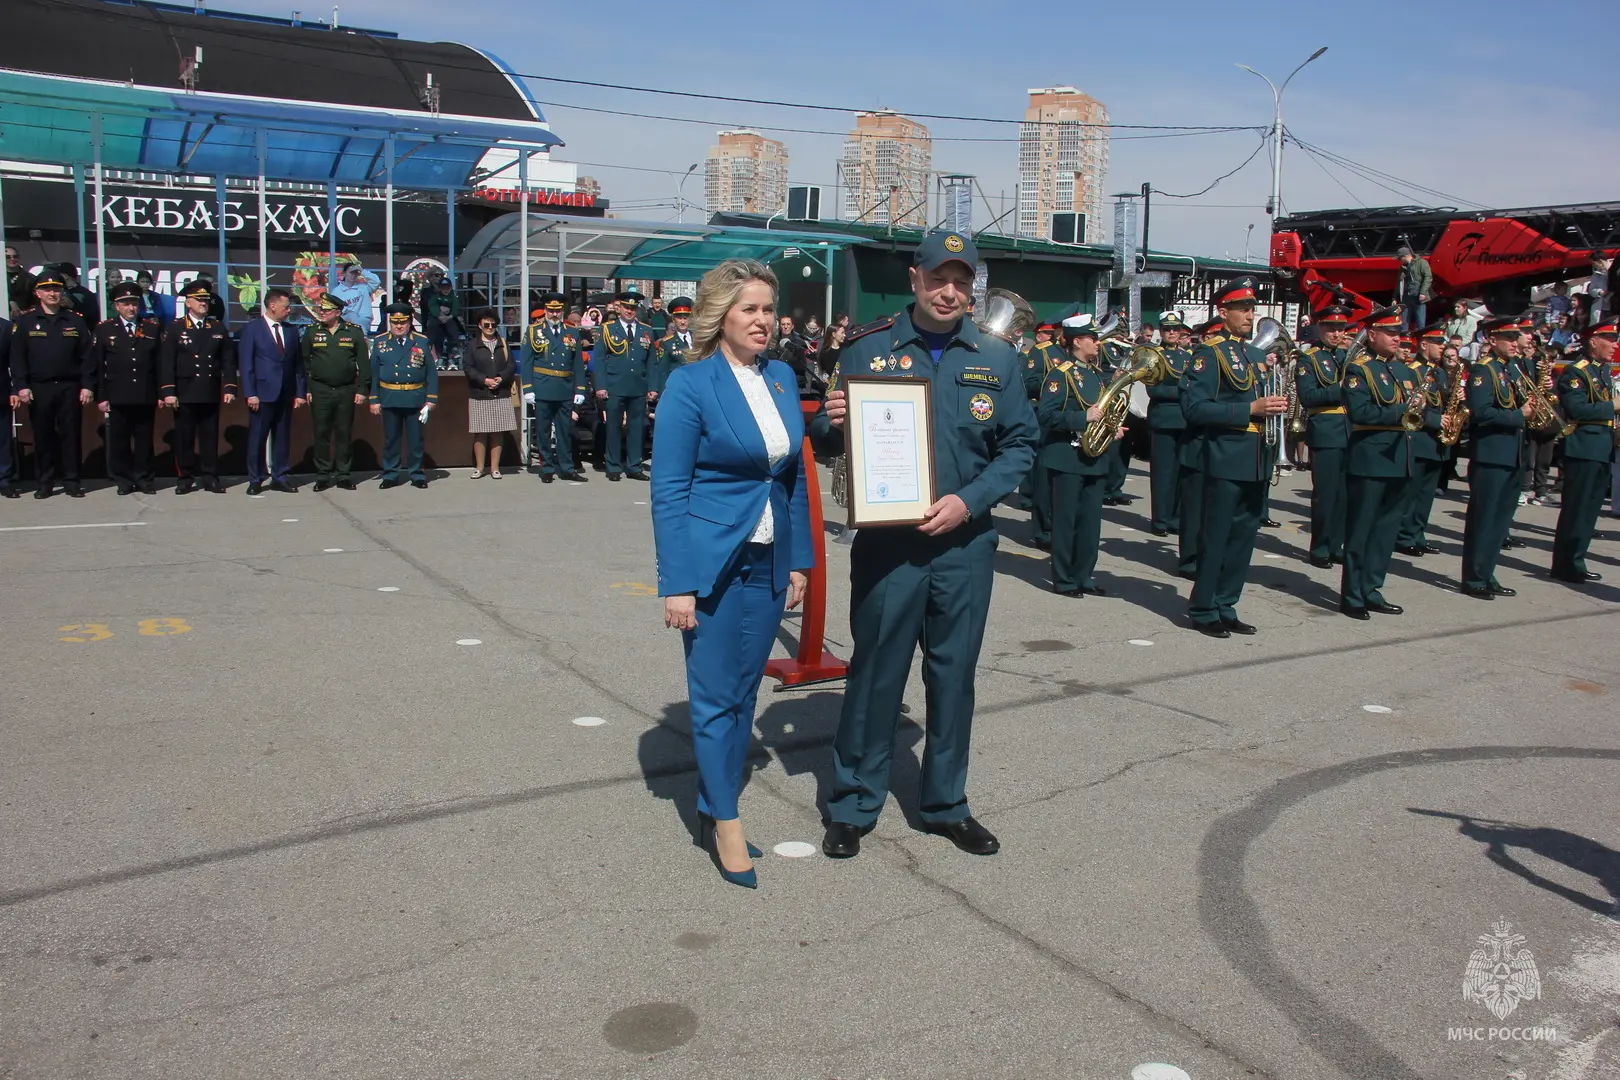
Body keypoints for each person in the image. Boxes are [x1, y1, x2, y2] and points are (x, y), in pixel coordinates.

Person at [809, 229, 1038, 859]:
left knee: (953, 677)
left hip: (964, 544)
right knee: (875, 674)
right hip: (890, 548)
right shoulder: (868, 347)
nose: (949, 292)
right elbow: (828, 440)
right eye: (938, 278)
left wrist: (970, 500)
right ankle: (853, 803)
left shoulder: (997, 357)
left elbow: (1020, 444)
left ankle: (945, 805)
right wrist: (830, 424)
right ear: (915, 279)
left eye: (961, 282)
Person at [651, 259, 813, 889]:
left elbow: (791, 477)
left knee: (745, 691)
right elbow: (669, 491)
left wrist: (798, 558)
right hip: (713, 562)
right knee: (717, 695)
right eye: (750, 309)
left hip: (769, 558)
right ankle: (726, 821)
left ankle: (709, 802)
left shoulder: (780, 377)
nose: (763, 321)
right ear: (720, 315)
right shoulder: (690, 384)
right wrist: (677, 583)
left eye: (769, 309)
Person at [1181, 277, 1288, 637]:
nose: (1250, 315)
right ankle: (1203, 608)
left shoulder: (1254, 356)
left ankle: (1226, 604)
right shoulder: (1209, 354)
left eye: (1251, 309)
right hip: (1225, 456)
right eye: (1242, 309)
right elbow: (1195, 408)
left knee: (1243, 539)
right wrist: (1250, 409)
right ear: (1223, 312)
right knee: (1216, 537)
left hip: (1257, 458)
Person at [1338, 306, 1415, 619]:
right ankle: (1352, 595)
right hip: (1370, 459)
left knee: (1385, 532)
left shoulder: (1402, 371)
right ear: (1372, 335)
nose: (1397, 338)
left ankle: (1372, 589)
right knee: (1361, 531)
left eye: (1398, 333)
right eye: (1390, 333)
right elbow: (1361, 413)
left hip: (1398, 458)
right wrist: (1403, 411)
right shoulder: (1359, 370)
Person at [1038, 313, 1119, 596]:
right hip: (1068, 458)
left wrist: (1111, 429)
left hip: (1095, 457)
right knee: (1066, 522)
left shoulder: (1096, 374)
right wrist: (1081, 417)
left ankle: (1084, 575)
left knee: (1090, 524)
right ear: (1076, 341)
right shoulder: (1060, 374)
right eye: (1092, 338)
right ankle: (1064, 579)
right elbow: (1045, 415)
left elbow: (1103, 413)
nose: (1097, 343)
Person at [1460, 316, 1534, 599]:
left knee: (1500, 522)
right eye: (1509, 338)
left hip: (1512, 454)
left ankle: (1487, 572)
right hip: (1491, 455)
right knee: (1484, 519)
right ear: (1492, 340)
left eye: (1517, 338)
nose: (1515, 343)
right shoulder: (1484, 370)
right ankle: (1474, 578)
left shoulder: (1511, 369)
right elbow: (1481, 412)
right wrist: (1519, 415)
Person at [10, 270, 93, 498]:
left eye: (56, 289)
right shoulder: (26, 322)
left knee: (71, 435)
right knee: (43, 435)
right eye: (46, 289)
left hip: (70, 386)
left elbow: (87, 356)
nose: (52, 293)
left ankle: (72, 481)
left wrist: (87, 385)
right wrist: (21, 385)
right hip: (40, 387)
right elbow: (17, 357)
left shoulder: (74, 320)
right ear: (37, 293)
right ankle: (45, 482)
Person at [1550, 318, 1616, 583]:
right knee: (1576, 509)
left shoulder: (1602, 371)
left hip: (1601, 447)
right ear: (1593, 342)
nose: (1615, 345)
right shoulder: (1576, 371)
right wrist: (1613, 406)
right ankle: (1564, 565)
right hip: (1583, 447)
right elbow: (1576, 409)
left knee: (1590, 510)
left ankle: (1577, 560)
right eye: (1610, 340)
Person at [160, 281, 236, 493]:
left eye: (205, 300)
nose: (203, 303)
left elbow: (228, 360)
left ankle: (210, 477)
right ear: (188, 303)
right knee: (184, 438)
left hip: (209, 390)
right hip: (184, 391)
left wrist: (230, 387)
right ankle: (185, 477)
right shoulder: (176, 328)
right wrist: (168, 391)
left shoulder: (217, 327)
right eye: (199, 300)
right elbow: (167, 361)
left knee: (209, 437)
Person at [89, 281, 162, 495]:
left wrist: (161, 392)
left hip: (145, 393)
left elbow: (159, 363)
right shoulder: (104, 329)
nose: (131, 308)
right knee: (119, 441)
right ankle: (123, 480)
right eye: (126, 304)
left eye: (134, 304)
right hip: (118, 394)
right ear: (117, 306)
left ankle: (144, 478)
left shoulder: (151, 328)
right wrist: (101, 395)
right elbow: (98, 365)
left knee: (144, 440)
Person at [1296, 304, 1353, 567]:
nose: (1337, 333)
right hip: (1326, 430)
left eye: (1341, 328)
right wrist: (1339, 388)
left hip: (1350, 430)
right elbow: (1308, 396)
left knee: (1345, 495)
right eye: (1331, 328)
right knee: (1326, 494)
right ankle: (1320, 548)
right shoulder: (1309, 358)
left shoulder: (1347, 357)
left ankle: (1336, 544)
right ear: (1320, 328)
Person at [299, 292, 369, 491]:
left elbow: (363, 364)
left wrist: (362, 389)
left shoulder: (353, 332)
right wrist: (306, 388)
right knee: (321, 433)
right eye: (321, 309)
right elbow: (303, 363)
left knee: (343, 433)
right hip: (320, 389)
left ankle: (343, 475)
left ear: (337, 312)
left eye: (327, 310)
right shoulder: (312, 332)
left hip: (345, 389)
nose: (322, 313)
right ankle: (323, 475)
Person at [239, 287, 305, 495]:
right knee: (258, 437)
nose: (289, 310)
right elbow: (246, 363)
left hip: (285, 392)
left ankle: (280, 476)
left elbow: (298, 364)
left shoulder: (291, 330)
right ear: (272, 305)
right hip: (262, 392)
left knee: (282, 436)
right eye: (286, 307)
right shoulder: (253, 329)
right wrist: (250, 393)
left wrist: (300, 392)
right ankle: (256, 478)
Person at [1396, 324, 1453, 556]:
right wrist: (1436, 420)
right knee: (1412, 493)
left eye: (1442, 343)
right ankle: (1403, 536)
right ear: (1423, 344)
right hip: (1419, 439)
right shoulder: (1411, 371)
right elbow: (1411, 408)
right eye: (1437, 343)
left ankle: (1418, 534)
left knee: (1426, 495)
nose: (1442, 347)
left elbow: (1442, 402)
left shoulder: (1439, 372)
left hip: (1436, 442)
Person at [369, 302, 438, 489]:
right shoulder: (381, 342)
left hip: (415, 397)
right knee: (391, 440)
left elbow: (431, 373)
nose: (398, 326)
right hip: (389, 396)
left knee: (416, 440)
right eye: (395, 322)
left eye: (403, 322)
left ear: (409, 322)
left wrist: (431, 399)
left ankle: (417, 474)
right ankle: (390, 474)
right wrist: (374, 399)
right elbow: (373, 373)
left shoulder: (421, 341)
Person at [521, 293, 589, 484]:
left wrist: (580, 389)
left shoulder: (572, 331)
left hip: (564, 388)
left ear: (562, 311)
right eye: (551, 310)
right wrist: (528, 388)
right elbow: (527, 362)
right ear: (545, 311)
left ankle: (567, 467)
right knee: (543, 431)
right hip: (542, 387)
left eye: (558, 310)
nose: (554, 314)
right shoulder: (534, 331)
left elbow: (577, 364)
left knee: (565, 431)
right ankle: (547, 468)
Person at [593, 290, 654, 480]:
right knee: (613, 427)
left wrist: (653, 387)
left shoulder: (646, 330)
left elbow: (652, 362)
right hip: (614, 385)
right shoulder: (608, 329)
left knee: (637, 428)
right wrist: (600, 385)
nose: (629, 311)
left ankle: (634, 466)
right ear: (619, 308)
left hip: (637, 386)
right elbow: (599, 360)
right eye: (626, 307)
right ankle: (613, 466)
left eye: (633, 308)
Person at [1146, 311, 1192, 536]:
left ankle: (1176, 518)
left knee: (1182, 473)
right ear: (1161, 331)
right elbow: (1153, 389)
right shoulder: (1153, 355)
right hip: (1164, 419)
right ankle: (1160, 520)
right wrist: (1183, 392)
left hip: (1185, 420)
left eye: (1175, 329)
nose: (1172, 332)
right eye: (1167, 329)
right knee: (1163, 474)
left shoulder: (1187, 356)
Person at [1021, 319, 1064, 549]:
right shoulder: (1043, 352)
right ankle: (1043, 530)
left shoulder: (1077, 356)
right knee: (1045, 478)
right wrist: (1054, 386)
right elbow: (1028, 384)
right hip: (1046, 417)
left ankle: (1062, 528)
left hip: (1074, 421)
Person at [464, 309, 517, 479]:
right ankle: (479, 467)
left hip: (501, 392)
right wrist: (484, 380)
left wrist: (501, 377)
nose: (490, 327)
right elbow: (468, 367)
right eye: (486, 324)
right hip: (480, 393)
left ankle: (495, 468)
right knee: (480, 432)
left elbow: (511, 365)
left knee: (497, 432)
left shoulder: (503, 343)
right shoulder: (473, 345)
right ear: (480, 325)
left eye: (493, 324)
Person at [649, 296, 694, 398]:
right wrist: (662, 394)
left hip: (696, 388)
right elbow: (662, 371)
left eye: (685, 318)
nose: (682, 322)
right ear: (673, 319)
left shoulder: (698, 340)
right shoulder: (667, 343)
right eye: (679, 318)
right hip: (677, 388)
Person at [328, 261, 380, 333]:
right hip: (345, 322)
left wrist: (362, 271)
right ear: (344, 273)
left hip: (363, 321)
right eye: (351, 273)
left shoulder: (364, 288)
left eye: (355, 273)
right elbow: (334, 309)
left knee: (354, 318)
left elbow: (376, 282)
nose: (353, 275)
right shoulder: (337, 291)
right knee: (351, 316)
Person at [422, 277, 464, 366]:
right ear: (440, 288)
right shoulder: (435, 296)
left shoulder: (453, 297)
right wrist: (440, 315)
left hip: (449, 319)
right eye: (443, 288)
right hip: (437, 319)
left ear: (451, 288)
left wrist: (448, 317)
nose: (445, 290)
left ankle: (452, 352)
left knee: (453, 328)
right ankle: (434, 352)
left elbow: (455, 309)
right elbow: (432, 307)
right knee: (434, 329)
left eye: (447, 288)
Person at [0, 313, 18, 497]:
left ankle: (4, 480)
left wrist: (14, 389)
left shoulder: (5, 328)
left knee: (3, 440)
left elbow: (14, 362)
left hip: (1, 392)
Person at [1397, 246, 1433, 332]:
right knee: (1403, 321)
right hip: (1406, 298)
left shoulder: (1421, 262)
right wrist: (1395, 298)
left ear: (1404, 256)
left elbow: (1428, 277)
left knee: (1420, 322)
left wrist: (1423, 292)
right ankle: (1404, 337)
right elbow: (1399, 284)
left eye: (1400, 258)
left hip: (1418, 296)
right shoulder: (1403, 268)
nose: (1399, 260)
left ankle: (1420, 337)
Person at [5, 245, 34, 318]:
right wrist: (10, 302)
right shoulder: (2, 277)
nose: (12, 259)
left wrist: (27, 311)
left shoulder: (29, 278)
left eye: (15, 256)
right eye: (8, 257)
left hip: (24, 317)